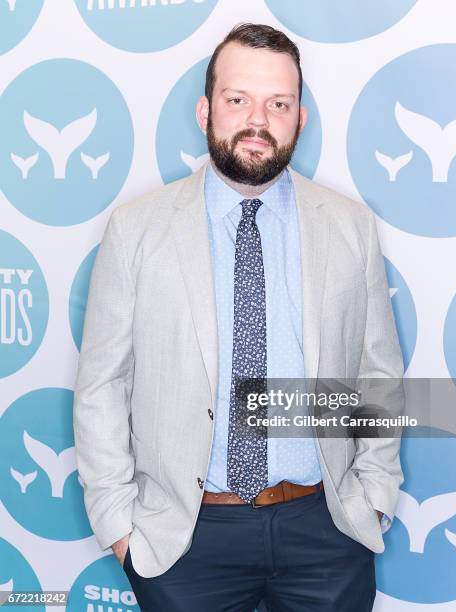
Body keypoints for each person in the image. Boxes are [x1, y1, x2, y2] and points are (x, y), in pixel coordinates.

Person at [73, 22, 404, 612]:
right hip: (184, 540)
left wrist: (374, 492)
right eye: (237, 100)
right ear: (206, 111)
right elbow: (102, 386)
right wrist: (119, 526)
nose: (259, 120)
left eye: (279, 103)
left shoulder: (350, 227)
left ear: (300, 118)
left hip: (325, 528)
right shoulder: (137, 230)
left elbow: (376, 373)